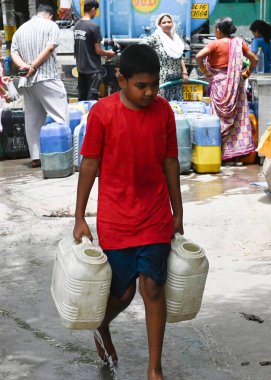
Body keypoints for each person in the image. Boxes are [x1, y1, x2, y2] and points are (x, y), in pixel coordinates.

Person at [73, 44, 184, 380]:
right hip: (116, 217)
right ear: (121, 79)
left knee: (152, 286)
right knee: (122, 292)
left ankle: (155, 368)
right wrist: (79, 217)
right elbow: (90, 163)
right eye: (141, 85)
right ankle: (101, 325)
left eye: (154, 84)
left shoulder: (164, 111)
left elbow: (171, 162)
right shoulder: (103, 113)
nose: (150, 92)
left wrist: (177, 211)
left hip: (154, 215)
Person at [11, 4, 68, 168]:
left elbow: (14, 53)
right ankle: (61, 155)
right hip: (46, 77)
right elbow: (50, 47)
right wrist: (33, 66)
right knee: (60, 117)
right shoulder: (51, 25)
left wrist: (25, 67)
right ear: (50, 16)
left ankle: (36, 157)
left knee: (33, 120)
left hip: (27, 81)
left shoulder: (20, 30)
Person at [196, 17, 258, 162]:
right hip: (236, 84)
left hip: (219, 85)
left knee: (218, 120)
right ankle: (236, 154)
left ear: (218, 30)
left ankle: (218, 152)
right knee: (236, 119)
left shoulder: (215, 44)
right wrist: (246, 74)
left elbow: (199, 57)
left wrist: (206, 72)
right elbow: (254, 59)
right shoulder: (239, 43)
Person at [140, 13, 188, 101]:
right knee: (162, 103)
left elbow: (180, 56)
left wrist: (184, 72)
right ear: (159, 25)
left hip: (177, 77)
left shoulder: (177, 38)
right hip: (163, 77)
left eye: (169, 22)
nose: (167, 24)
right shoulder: (156, 37)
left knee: (177, 104)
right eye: (164, 22)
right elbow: (141, 47)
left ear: (172, 23)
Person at [74, 0, 115, 101]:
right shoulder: (93, 27)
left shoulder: (77, 25)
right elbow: (98, 51)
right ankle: (90, 116)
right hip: (92, 69)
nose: (96, 13)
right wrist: (108, 53)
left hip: (81, 67)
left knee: (82, 97)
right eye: (96, 11)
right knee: (92, 98)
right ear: (92, 9)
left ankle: (83, 116)